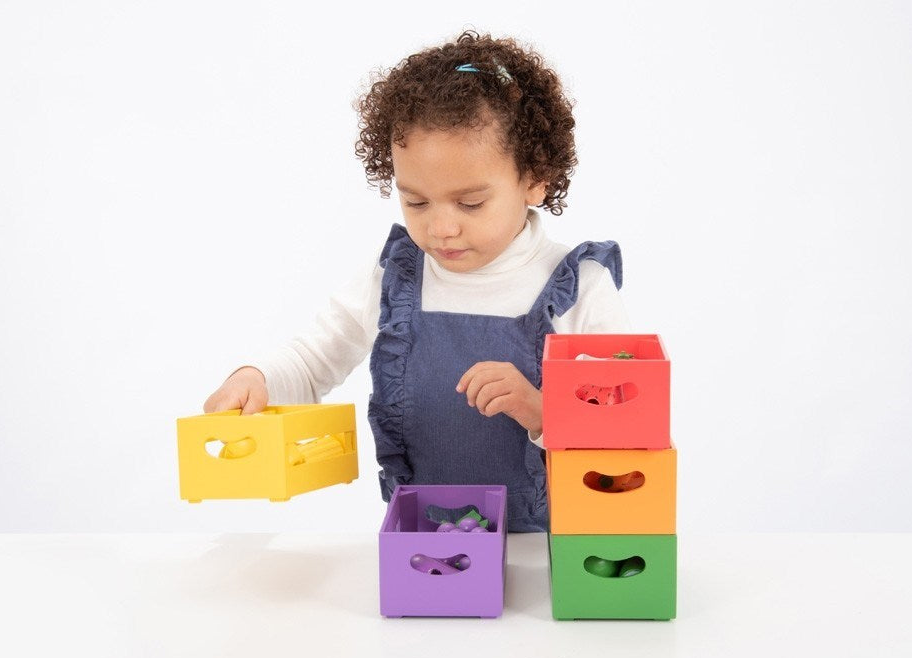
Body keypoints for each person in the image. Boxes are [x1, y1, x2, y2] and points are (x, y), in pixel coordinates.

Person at [202, 29, 630, 532]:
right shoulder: (396, 278)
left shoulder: (578, 287)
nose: (440, 227)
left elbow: (622, 428)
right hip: (431, 551)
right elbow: (313, 360)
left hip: (549, 552)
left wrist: (542, 412)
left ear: (535, 178)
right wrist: (257, 378)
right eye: (417, 202)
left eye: (470, 203)